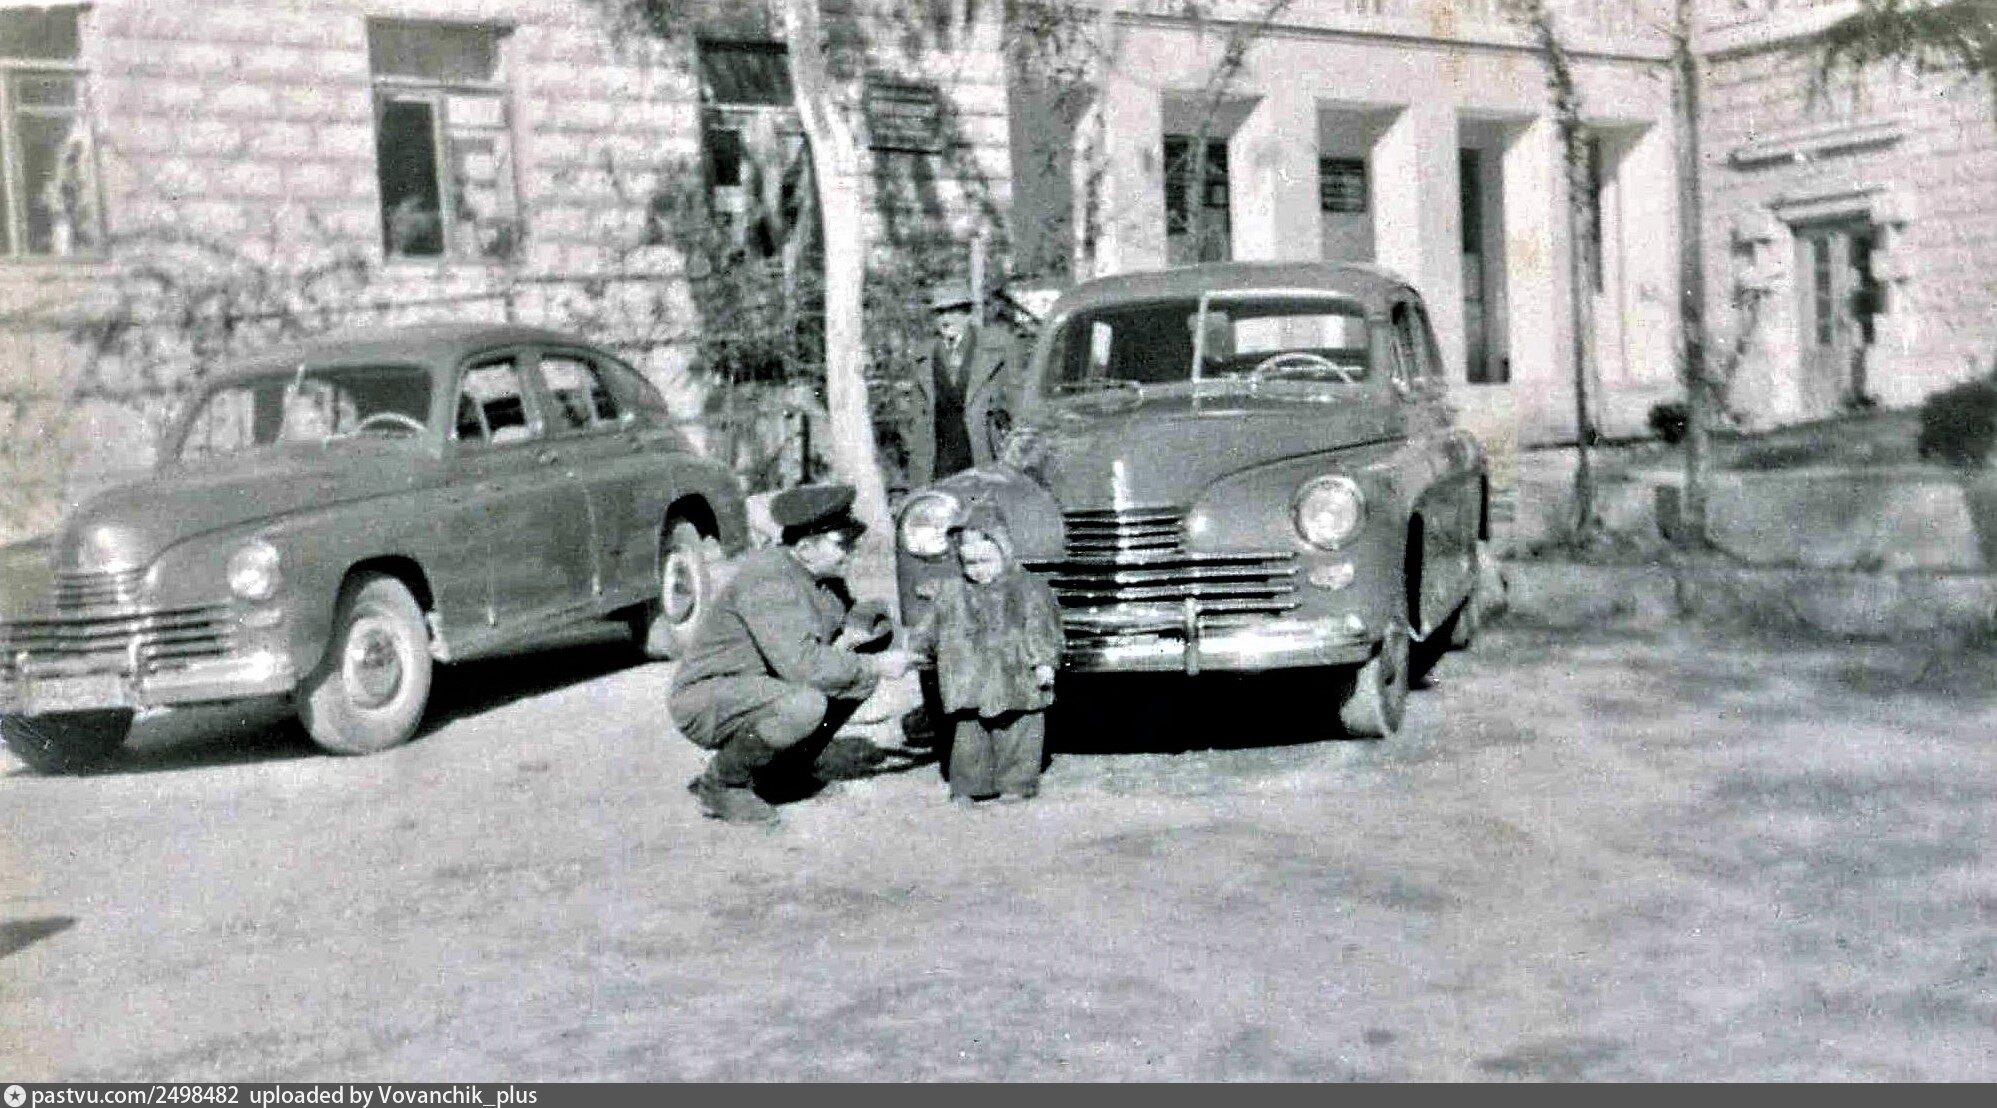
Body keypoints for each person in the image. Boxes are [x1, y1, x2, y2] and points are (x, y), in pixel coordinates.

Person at [669, 483, 916, 825]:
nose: (851, 550)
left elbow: (838, 631)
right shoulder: (768, 580)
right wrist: (875, 663)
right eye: (841, 543)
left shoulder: (822, 575)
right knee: (806, 703)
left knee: (857, 674)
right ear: (805, 547)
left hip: (761, 684)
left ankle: (784, 774)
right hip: (709, 695)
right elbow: (804, 667)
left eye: (851, 540)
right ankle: (723, 784)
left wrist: (872, 630)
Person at [908, 497, 1063, 804]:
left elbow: (1041, 627)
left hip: (1015, 675)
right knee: (969, 737)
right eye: (970, 564)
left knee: (1018, 731)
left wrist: (1044, 663)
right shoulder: (953, 592)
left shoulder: (1027, 588)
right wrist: (916, 649)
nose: (978, 571)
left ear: (1004, 551)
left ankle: (1016, 783)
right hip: (969, 677)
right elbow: (932, 624)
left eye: (985, 562)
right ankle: (970, 784)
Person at [903, 279, 1023, 493]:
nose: (946, 319)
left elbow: (1017, 404)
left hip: (983, 454)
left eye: (953, 311)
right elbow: (915, 416)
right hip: (937, 461)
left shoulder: (998, 348)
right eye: (940, 313)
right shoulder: (923, 356)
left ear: (967, 314)